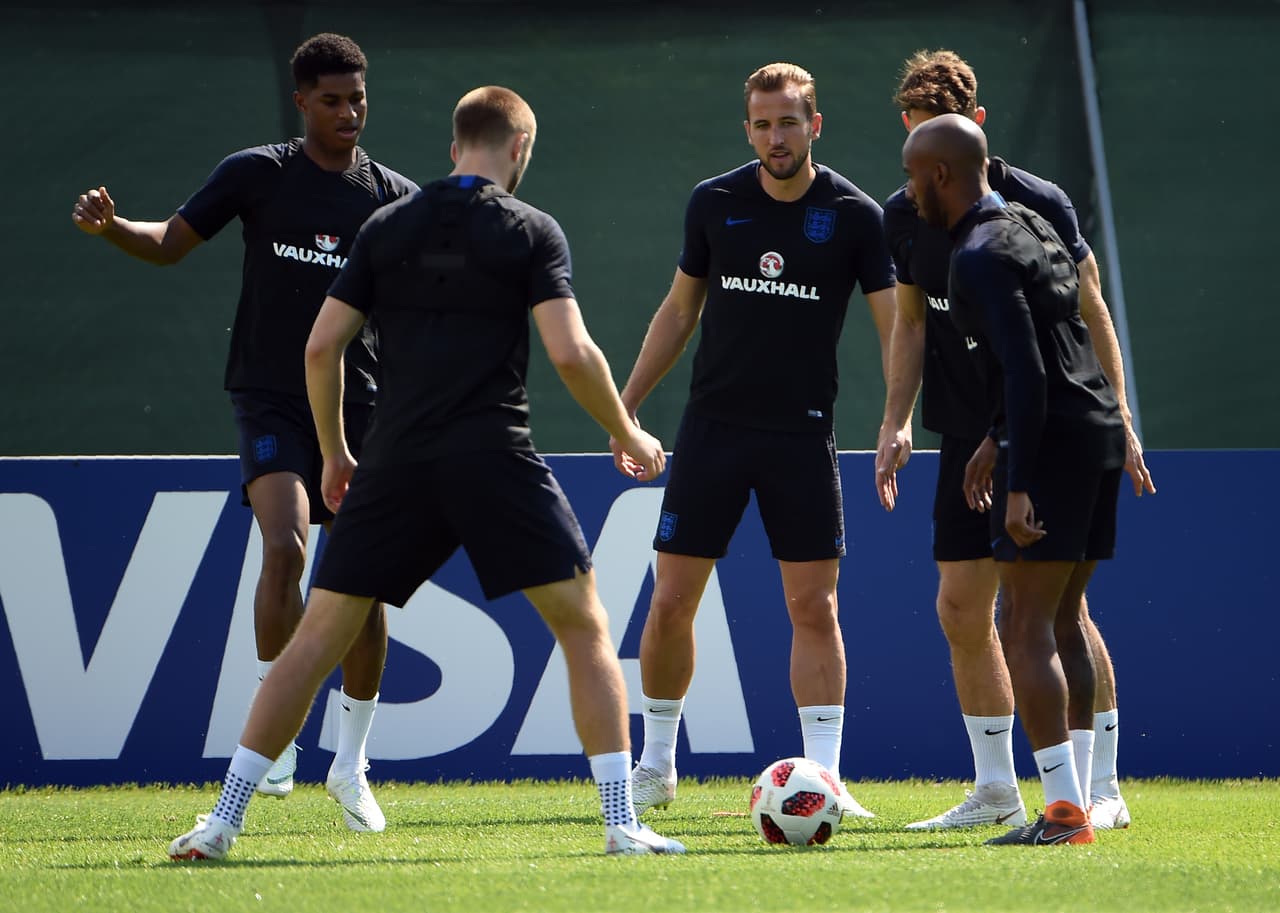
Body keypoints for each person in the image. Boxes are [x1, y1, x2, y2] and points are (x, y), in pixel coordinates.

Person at [168, 85, 687, 860]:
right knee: (584, 628)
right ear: (519, 148)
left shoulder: (387, 224)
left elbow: (320, 347)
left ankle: (221, 822)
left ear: (453, 147)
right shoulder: (531, 230)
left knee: (313, 642)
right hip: (494, 456)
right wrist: (626, 429)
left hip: (396, 461)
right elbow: (572, 351)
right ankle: (620, 822)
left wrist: (336, 451)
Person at [72, 33, 418, 832]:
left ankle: (352, 764)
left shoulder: (393, 198)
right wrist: (113, 226)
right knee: (286, 547)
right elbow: (169, 244)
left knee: (361, 585)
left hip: (362, 408)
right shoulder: (256, 173)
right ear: (301, 102)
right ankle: (279, 730)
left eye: (358, 98)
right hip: (269, 398)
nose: (348, 112)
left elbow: (418, 308)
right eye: (331, 100)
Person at [874, 50, 1153, 831]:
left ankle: (1090, 794)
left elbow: (1075, 324)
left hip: (1035, 429)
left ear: (963, 140)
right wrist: (898, 419)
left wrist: (1111, 420)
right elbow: (910, 322)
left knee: (1049, 615)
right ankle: (999, 788)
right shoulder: (914, 217)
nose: (909, 172)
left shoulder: (1022, 217)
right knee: (966, 607)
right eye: (908, 136)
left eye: (924, 148)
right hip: (985, 432)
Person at [612, 62, 897, 819]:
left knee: (815, 607)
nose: (777, 137)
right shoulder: (714, 202)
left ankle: (825, 779)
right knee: (672, 600)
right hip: (713, 431)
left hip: (802, 436)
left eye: (789, 122)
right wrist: (625, 407)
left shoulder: (856, 215)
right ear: (748, 130)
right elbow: (679, 311)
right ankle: (656, 765)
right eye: (764, 124)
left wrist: (896, 416)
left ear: (815, 125)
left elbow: (896, 326)